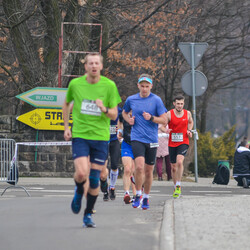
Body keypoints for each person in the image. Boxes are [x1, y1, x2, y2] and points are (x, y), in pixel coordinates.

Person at [62, 52, 121, 228]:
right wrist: (66, 127)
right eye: (90, 63)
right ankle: (79, 191)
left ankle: (88, 214)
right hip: (80, 135)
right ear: (85, 66)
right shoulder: (76, 84)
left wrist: (103, 109)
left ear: (101, 66)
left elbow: (114, 114)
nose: (94, 66)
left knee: (95, 179)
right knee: (81, 173)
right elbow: (66, 104)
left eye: (97, 63)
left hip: (101, 138)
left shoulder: (109, 86)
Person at [122, 74, 167, 210]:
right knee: (139, 167)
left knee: (148, 171)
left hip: (152, 139)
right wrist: (128, 119)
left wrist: (152, 118)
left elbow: (164, 120)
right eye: (142, 86)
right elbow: (124, 113)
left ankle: (146, 197)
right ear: (138, 86)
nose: (144, 89)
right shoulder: (131, 99)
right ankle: (138, 195)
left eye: (147, 86)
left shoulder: (156, 100)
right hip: (137, 138)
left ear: (151, 86)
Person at [165, 95, 193, 198]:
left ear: (183, 104)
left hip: (183, 141)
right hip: (172, 142)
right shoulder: (169, 114)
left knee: (180, 161)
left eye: (181, 104)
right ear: (174, 104)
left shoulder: (187, 113)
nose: (180, 106)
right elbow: (163, 125)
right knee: (173, 167)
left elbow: (190, 122)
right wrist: (166, 130)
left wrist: (189, 130)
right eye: (178, 104)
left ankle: (178, 185)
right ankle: (175, 186)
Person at [100, 107, 122, 201]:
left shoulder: (118, 110)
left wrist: (120, 130)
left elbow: (123, 120)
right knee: (102, 170)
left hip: (114, 141)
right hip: (102, 141)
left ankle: (112, 187)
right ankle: (105, 189)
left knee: (114, 165)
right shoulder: (100, 108)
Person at [118, 110, 136, 204]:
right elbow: (120, 122)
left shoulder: (140, 115)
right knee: (127, 169)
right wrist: (120, 131)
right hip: (126, 145)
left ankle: (136, 194)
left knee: (134, 171)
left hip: (138, 144)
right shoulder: (123, 115)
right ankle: (126, 193)